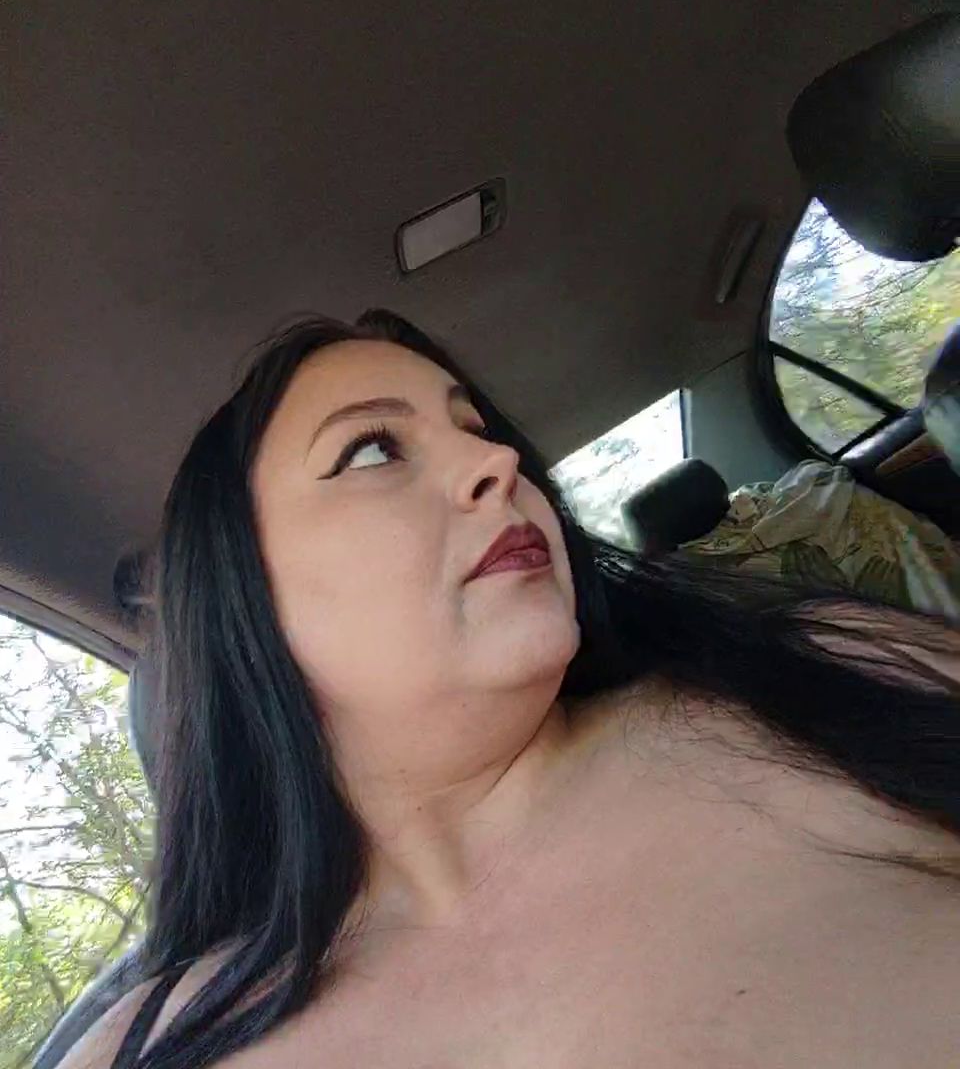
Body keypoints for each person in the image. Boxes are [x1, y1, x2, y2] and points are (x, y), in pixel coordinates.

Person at [62, 309, 960, 1069]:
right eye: (372, 451)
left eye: (479, 431)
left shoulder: (824, 674)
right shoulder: (141, 1047)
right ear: (238, 601)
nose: (497, 465)